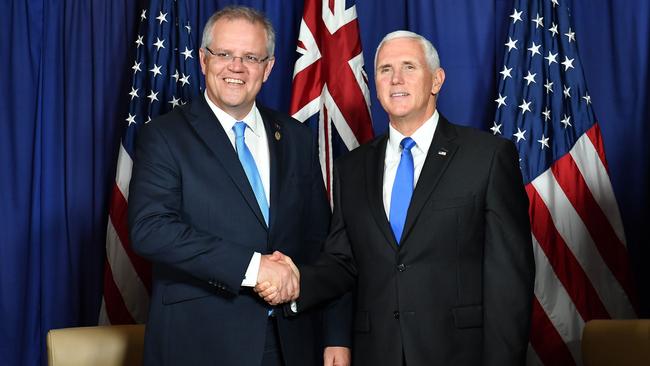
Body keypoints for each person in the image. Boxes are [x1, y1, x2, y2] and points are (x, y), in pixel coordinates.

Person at [257, 30, 535, 365]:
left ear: (436, 80)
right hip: (376, 352)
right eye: (385, 69)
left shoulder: (487, 157)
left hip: (460, 353)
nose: (396, 79)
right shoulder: (353, 167)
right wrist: (299, 281)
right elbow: (343, 262)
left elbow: (509, 280)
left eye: (409, 67)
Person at [128, 6, 350, 366]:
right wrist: (253, 267)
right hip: (200, 344)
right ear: (203, 60)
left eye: (250, 57)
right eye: (225, 54)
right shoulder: (164, 137)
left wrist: (336, 334)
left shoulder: (295, 137)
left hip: (291, 342)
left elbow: (323, 244)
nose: (236, 67)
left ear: (269, 67)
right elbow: (150, 229)